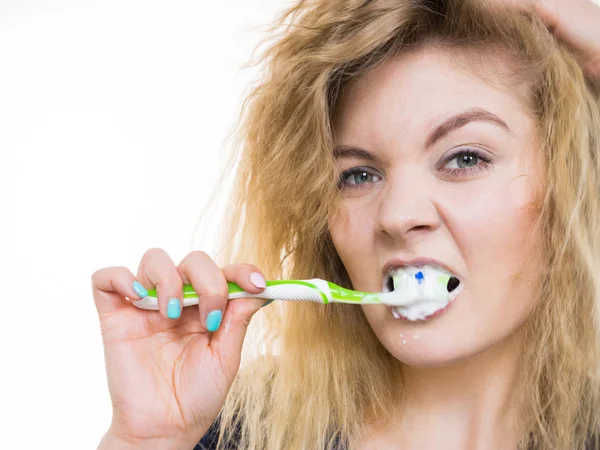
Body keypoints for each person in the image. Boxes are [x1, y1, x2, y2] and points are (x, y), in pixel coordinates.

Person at [91, 0, 600, 448]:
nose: (398, 216)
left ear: (575, 178)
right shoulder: (234, 434)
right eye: (358, 175)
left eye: (464, 159)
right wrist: (146, 442)